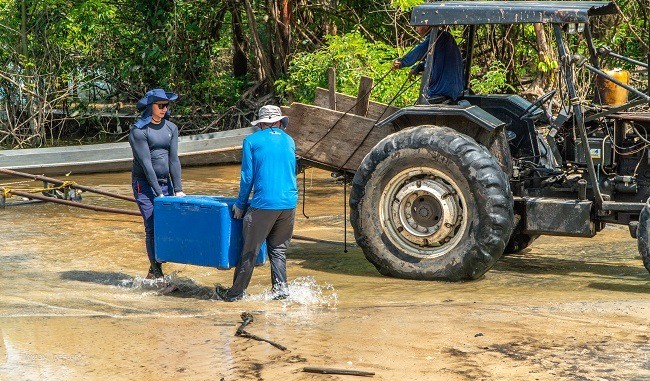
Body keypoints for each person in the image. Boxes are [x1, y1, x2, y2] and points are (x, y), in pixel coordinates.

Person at [214, 105, 298, 302]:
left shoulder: (251, 141)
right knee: (278, 250)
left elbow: (247, 177)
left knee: (249, 250)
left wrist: (240, 204)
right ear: (279, 122)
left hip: (264, 204)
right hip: (289, 203)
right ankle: (281, 291)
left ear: (261, 123)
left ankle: (235, 294)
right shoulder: (289, 140)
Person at [129, 88, 186, 279]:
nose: (164, 109)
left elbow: (174, 160)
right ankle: (157, 274)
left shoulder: (171, 128)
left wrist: (177, 189)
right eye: (160, 105)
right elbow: (146, 164)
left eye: (166, 106)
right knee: (152, 225)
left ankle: (153, 270)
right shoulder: (138, 131)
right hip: (144, 185)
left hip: (165, 183)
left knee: (167, 225)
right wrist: (158, 194)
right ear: (150, 107)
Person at [392, 26, 464, 101]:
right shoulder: (445, 37)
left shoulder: (437, 37)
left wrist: (402, 62)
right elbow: (434, 63)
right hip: (456, 90)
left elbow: (420, 50)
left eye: (418, 26)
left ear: (427, 26)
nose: (416, 29)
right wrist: (417, 68)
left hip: (441, 90)